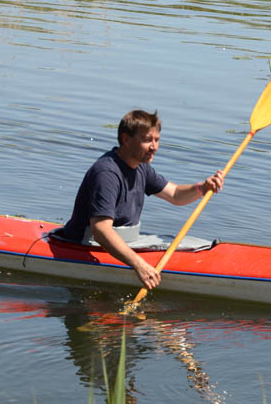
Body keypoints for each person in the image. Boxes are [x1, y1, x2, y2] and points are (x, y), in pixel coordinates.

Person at [63, 109, 223, 291]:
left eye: (157, 140)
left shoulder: (141, 168)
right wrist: (139, 265)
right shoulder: (106, 174)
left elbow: (176, 195)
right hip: (87, 245)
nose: (154, 146)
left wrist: (203, 187)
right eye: (147, 140)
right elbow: (100, 230)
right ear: (126, 139)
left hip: (128, 240)